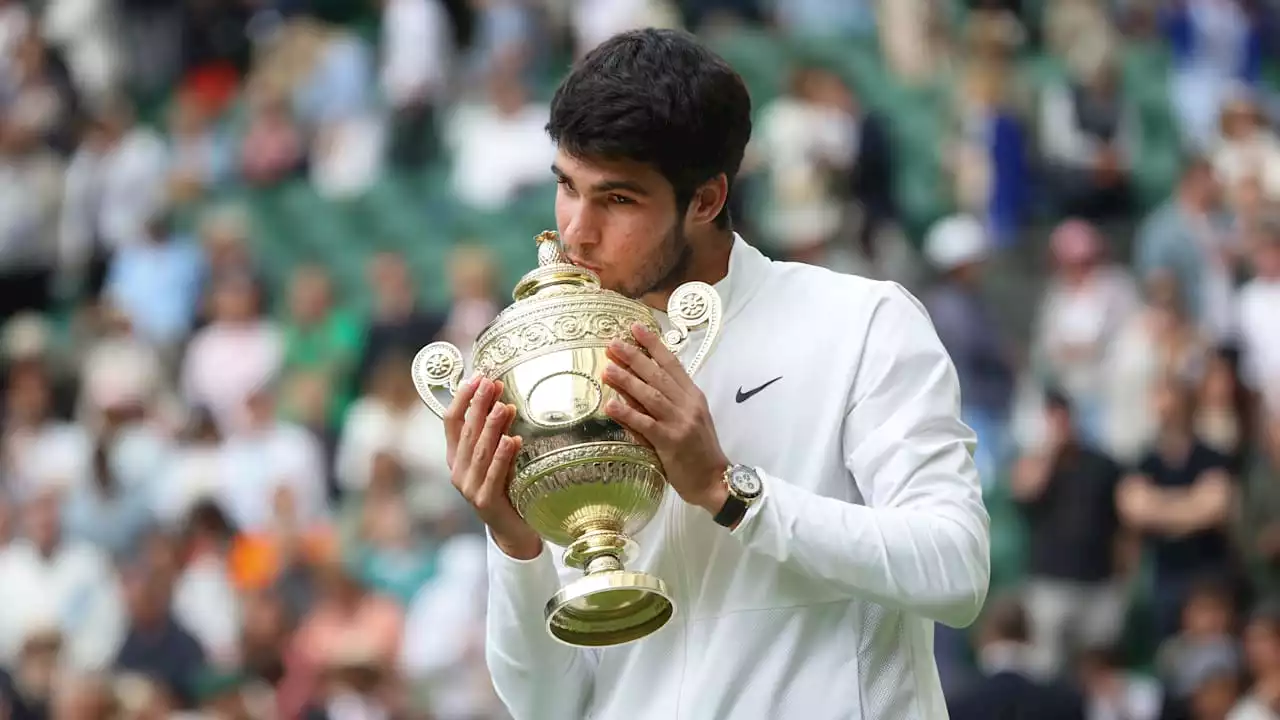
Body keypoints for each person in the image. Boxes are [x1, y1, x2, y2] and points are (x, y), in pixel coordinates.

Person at [439, 29, 991, 720]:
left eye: (617, 200)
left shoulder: (861, 323)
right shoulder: (548, 371)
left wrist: (729, 493)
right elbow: (546, 704)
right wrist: (514, 543)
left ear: (705, 200)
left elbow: (955, 570)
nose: (576, 233)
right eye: (566, 188)